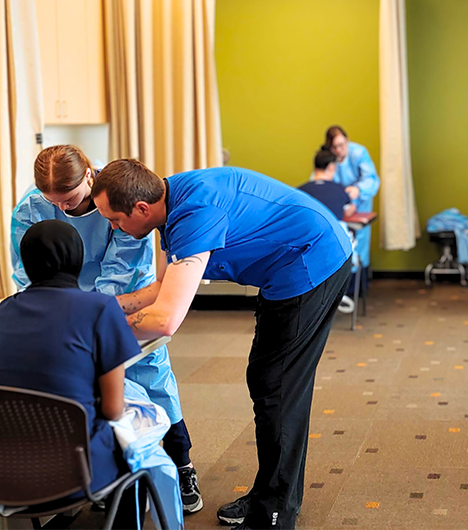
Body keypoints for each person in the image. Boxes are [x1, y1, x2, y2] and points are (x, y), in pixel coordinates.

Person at [91, 160, 353, 529]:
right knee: (268, 381)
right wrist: (97, 309)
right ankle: (270, 495)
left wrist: (89, 334)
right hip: (288, 265)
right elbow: (160, 288)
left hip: (311, 261)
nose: (112, 227)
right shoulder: (170, 201)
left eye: (114, 219)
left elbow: (166, 319)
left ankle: (274, 514)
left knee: (276, 386)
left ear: (141, 208)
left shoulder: (195, 213)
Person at [9, 145, 202, 514]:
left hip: (121, 296)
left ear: (88, 177)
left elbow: (119, 271)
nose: (62, 209)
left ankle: (181, 463)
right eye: (54, 202)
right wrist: (62, 310)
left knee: (150, 375)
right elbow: (26, 268)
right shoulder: (30, 209)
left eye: (69, 200)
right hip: (62, 302)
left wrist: (85, 315)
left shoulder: (116, 200)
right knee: (81, 382)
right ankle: (101, 471)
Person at [0, 220, 147, 528]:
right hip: (76, 472)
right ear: (78, 259)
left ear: (26, 264)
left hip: (7, 474)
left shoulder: (3, 311)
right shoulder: (100, 308)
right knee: (135, 447)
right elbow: (112, 409)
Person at [316, 125, 379, 268]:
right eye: (334, 147)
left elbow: (371, 179)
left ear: (347, 141)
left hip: (360, 201)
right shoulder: (328, 158)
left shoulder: (359, 153)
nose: (339, 150)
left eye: (342, 145)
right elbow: (319, 180)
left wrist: (357, 193)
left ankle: (358, 278)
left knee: (359, 241)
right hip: (337, 205)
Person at [300, 149, 357, 221]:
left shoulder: (300, 191)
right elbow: (348, 211)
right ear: (331, 167)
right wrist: (354, 206)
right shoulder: (339, 189)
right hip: (333, 231)